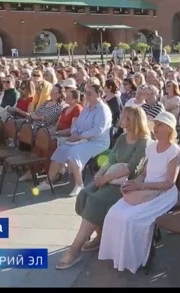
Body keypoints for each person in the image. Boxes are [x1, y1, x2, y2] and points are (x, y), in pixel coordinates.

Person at [55, 106, 151, 270]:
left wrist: (105, 178)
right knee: (85, 193)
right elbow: (110, 158)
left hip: (126, 185)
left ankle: (74, 250)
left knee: (96, 200)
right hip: (110, 179)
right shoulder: (122, 137)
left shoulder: (143, 142)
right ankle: (99, 236)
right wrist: (100, 175)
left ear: (133, 120)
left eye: (124, 117)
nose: (120, 119)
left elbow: (132, 168)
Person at [98, 111, 180, 273]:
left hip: (163, 194)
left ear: (168, 129)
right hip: (145, 189)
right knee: (114, 212)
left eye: (160, 125)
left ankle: (135, 259)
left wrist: (142, 186)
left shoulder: (174, 152)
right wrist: (135, 182)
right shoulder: (151, 147)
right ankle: (117, 255)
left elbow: (169, 183)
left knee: (130, 218)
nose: (156, 127)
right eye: (156, 124)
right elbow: (145, 173)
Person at [38, 84, 112, 197]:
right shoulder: (87, 107)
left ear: (99, 94)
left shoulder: (103, 110)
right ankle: (48, 182)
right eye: (86, 93)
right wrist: (75, 132)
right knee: (61, 150)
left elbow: (98, 130)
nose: (86, 96)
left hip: (97, 142)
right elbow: (77, 124)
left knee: (74, 153)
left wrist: (79, 136)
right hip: (81, 139)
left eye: (89, 93)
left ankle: (79, 184)